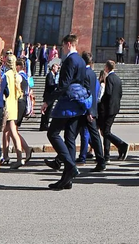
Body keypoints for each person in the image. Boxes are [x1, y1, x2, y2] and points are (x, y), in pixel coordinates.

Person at [46, 33, 92, 190]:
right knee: (70, 138)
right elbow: (85, 83)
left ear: (68, 44)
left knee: (52, 133)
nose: (62, 49)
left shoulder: (70, 60)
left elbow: (64, 84)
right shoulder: (80, 59)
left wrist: (48, 101)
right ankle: (67, 179)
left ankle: (70, 166)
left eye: (63, 46)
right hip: (78, 104)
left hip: (67, 104)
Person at [3, 54, 35, 167]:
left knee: (12, 131)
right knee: (9, 131)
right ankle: (7, 155)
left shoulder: (11, 75)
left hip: (13, 104)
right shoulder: (23, 76)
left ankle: (18, 154)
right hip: (18, 103)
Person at [98, 59, 129, 160]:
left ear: (107, 68)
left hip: (108, 108)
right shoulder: (118, 78)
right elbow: (120, 93)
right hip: (115, 107)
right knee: (106, 131)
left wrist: (102, 101)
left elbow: (108, 93)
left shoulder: (109, 78)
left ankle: (122, 145)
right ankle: (107, 154)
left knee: (105, 132)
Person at [40, 59, 59, 132]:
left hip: (51, 96)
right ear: (53, 67)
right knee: (46, 111)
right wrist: (56, 85)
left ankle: (45, 124)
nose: (57, 69)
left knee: (48, 111)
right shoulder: (50, 75)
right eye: (56, 67)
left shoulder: (53, 75)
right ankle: (44, 125)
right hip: (48, 96)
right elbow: (50, 84)